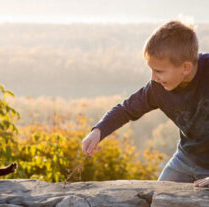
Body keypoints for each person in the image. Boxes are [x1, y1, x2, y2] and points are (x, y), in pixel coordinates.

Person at [82, 20, 209, 187]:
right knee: (158, 197)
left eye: (159, 71)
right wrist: (98, 131)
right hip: (185, 159)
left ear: (185, 68)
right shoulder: (158, 88)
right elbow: (126, 109)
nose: (153, 78)